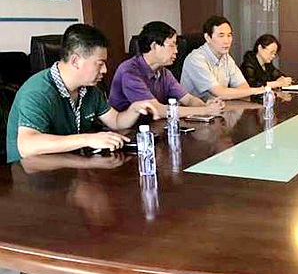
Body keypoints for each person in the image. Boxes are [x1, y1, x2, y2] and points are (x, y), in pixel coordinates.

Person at [6, 24, 160, 163]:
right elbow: (27, 146)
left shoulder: (89, 90)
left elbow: (116, 121)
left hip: (71, 165)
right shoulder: (38, 91)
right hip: (30, 174)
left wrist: (134, 108)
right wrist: (87, 139)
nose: (105, 70)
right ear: (75, 61)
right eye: (100, 64)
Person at [108, 21, 224, 117]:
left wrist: (206, 106)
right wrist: (205, 111)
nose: (176, 51)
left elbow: (188, 99)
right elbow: (156, 109)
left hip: (153, 127)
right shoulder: (129, 72)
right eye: (172, 45)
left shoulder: (163, 72)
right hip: (125, 132)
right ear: (154, 46)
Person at [180, 15, 268, 101]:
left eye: (229, 35)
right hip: (196, 109)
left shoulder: (226, 58)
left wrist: (253, 92)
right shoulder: (196, 59)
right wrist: (256, 90)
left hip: (220, 107)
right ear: (207, 38)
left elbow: (243, 87)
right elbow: (219, 92)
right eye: (221, 36)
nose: (226, 41)